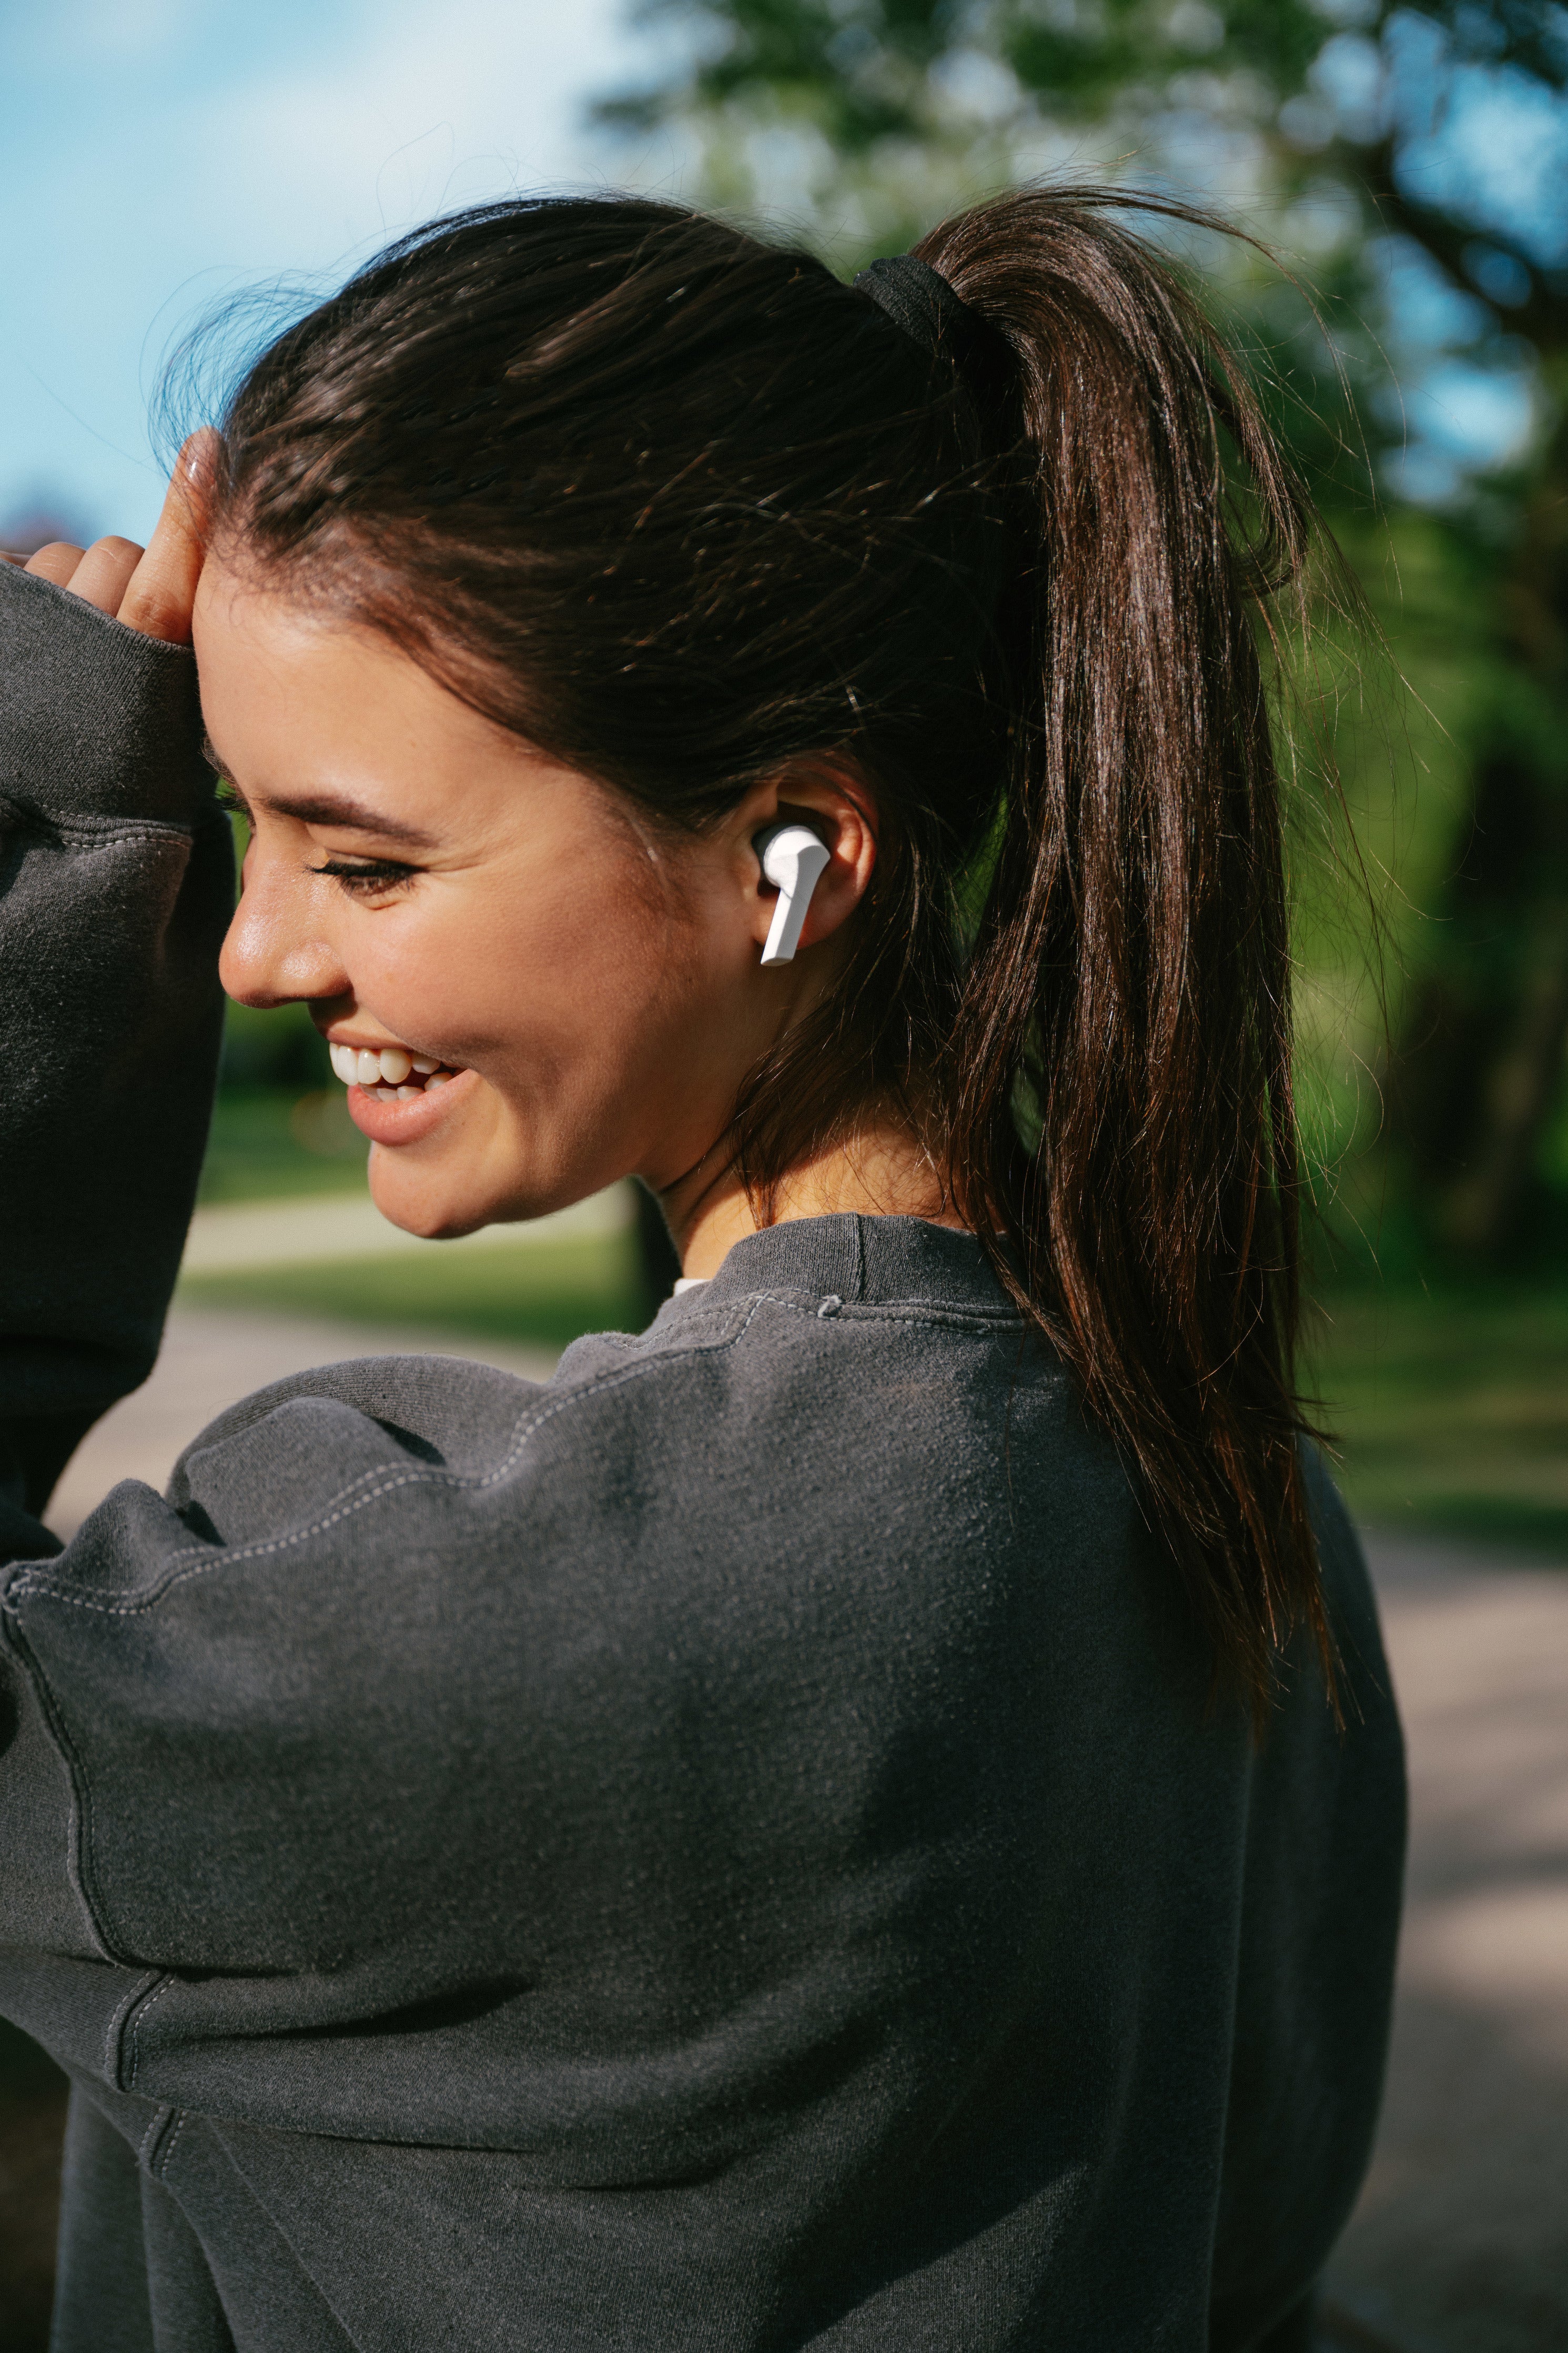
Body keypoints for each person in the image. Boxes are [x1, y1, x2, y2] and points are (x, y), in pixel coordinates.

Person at [0, 188, 1404, 2352]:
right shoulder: (1214, 1448)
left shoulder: (502, 1586)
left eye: (362, 853)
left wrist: (53, 844)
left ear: (787, 864)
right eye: (226, 822)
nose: (258, 948)